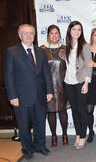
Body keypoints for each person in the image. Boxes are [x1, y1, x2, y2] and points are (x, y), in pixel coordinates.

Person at [4, 24, 54, 160]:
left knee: (40, 123)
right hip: (21, 96)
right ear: (20, 35)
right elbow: (8, 76)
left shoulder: (40, 51)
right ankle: (27, 148)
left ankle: (40, 145)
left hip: (39, 95)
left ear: (34, 35)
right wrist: (12, 96)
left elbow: (46, 73)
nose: (28, 35)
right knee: (24, 124)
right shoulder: (11, 51)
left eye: (31, 33)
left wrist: (49, 91)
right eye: (25, 33)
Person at [64, 21, 92, 149]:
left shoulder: (85, 46)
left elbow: (89, 65)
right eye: (74, 29)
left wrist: (86, 83)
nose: (76, 32)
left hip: (80, 82)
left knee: (82, 110)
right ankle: (77, 133)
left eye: (79, 29)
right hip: (68, 82)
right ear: (70, 31)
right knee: (74, 110)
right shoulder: (66, 47)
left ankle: (82, 136)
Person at [41, 25, 69, 147]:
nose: (54, 36)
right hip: (48, 86)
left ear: (60, 35)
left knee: (63, 111)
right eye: (51, 33)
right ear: (48, 35)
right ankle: (53, 135)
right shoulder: (41, 50)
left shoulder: (65, 49)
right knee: (50, 112)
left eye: (56, 33)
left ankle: (64, 134)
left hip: (63, 85)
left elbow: (70, 68)